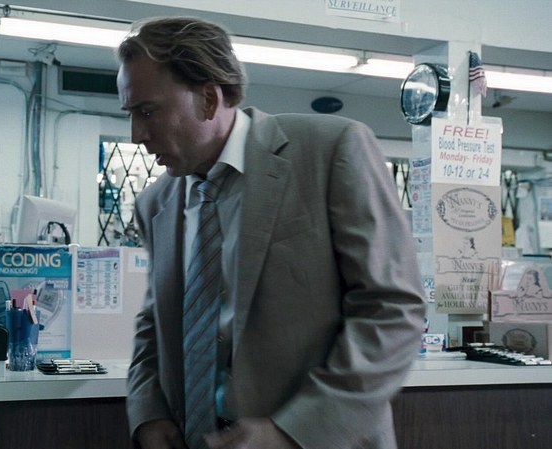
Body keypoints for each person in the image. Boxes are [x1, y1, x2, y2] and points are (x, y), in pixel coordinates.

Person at [117, 17, 427, 449]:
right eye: (131, 114)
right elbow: (155, 322)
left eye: (147, 112)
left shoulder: (330, 152)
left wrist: (294, 431)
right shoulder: (157, 203)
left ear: (208, 99)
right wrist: (149, 410)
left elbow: (393, 310)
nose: (136, 136)